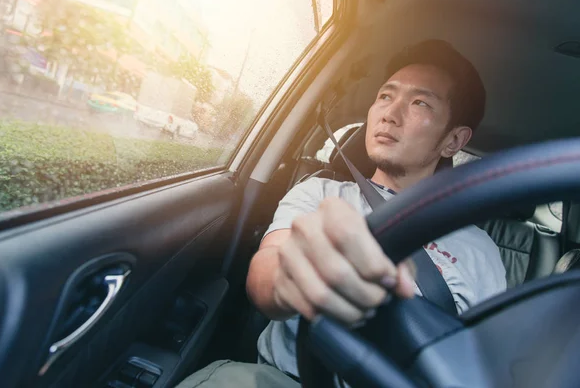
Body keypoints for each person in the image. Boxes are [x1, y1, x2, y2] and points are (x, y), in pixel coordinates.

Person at [176, 40, 507, 387]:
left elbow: (484, 358)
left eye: (420, 102)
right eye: (385, 96)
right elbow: (267, 268)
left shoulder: (480, 249)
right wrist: (292, 281)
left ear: (454, 141)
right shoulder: (319, 192)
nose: (389, 114)